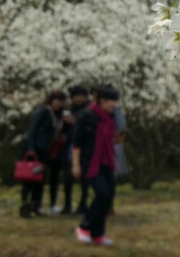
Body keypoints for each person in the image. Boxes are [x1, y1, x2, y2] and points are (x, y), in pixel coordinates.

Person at [73, 86, 119, 246]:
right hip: (89, 161)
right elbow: (77, 143)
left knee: (109, 195)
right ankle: (84, 227)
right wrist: (76, 164)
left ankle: (98, 233)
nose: (113, 104)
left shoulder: (110, 117)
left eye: (114, 101)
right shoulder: (87, 116)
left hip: (106, 160)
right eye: (109, 101)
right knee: (102, 193)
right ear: (100, 101)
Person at [20, 90, 68, 218]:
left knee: (40, 178)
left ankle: (37, 205)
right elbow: (33, 129)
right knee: (30, 178)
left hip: (45, 150)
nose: (59, 104)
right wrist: (31, 148)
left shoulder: (59, 115)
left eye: (61, 101)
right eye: (57, 100)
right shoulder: (43, 111)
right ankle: (26, 204)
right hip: (35, 148)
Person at [64, 86, 90, 214]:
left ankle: (83, 203)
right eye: (76, 96)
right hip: (70, 144)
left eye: (81, 96)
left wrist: (75, 121)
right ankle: (67, 204)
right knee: (68, 176)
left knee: (85, 177)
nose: (79, 98)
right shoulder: (68, 110)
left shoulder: (89, 109)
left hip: (85, 146)